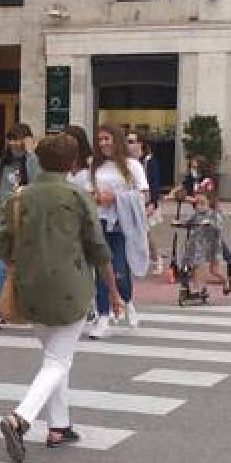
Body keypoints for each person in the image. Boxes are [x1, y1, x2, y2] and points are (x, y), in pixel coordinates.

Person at [0, 133, 124, 463]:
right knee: (58, 361)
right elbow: (98, 248)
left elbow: (1, 244)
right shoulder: (77, 195)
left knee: (53, 356)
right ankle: (20, 417)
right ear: (71, 163)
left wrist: (21, 264)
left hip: (30, 286)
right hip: (71, 286)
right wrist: (113, 290)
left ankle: (59, 426)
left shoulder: (20, 196)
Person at [85, 124, 150, 339]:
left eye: (107, 138)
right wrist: (96, 197)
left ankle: (127, 300)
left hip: (123, 223)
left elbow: (143, 194)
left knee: (120, 268)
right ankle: (103, 316)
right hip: (100, 222)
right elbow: (87, 193)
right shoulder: (95, 166)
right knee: (103, 270)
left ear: (117, 140)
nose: (103, 143)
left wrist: (117, 198)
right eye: (100, 139)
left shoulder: (132, 165)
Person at [0, 123, 39, 330]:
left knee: (27, 267)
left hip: (27, 221)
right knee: (2, 268)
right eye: (11, 139)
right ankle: (1, 311)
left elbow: (36, 183)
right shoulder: (1, 163)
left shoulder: (34, 162)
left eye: (19, 139)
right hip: (5, 222)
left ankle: (28, 308)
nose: (14, 144)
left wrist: (31, 152)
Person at [174, 186, 231, 296]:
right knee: (196, 264)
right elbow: (188, 222)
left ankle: (225, 281)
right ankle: (197, 288)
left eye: (202, 203)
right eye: (197, 203)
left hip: (212, 246)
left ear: (209, 203)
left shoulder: (214, 214)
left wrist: (210, 223)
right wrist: (179, 223)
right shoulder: (196, 214)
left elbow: (219, 226)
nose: (199, 206)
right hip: (198, 245)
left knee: (214, 271)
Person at [128, 130, 165, 275]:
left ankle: (157, 258)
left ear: (140, 144)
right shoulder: (129, 161)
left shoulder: (149, 161)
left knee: (147, 233)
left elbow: (155, 183)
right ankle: (141, 259)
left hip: (147, 201)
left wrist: (153, 203)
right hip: (133, 201)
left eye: (131, 141)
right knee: (135, 232)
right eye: (127, 141)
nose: (127, 144)